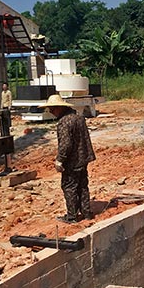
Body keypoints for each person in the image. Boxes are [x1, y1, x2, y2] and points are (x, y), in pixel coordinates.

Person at [41, 94, 96, 223]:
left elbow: (66, 144)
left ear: (60, 107)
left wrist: (60, 160)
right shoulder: (78, 117)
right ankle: (86, 213)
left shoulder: (64, 122)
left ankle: (72, 216)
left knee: (69, 186)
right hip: (83, 158)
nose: (51, 111)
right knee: (82, 185)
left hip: (72, 161)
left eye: (52, 109)